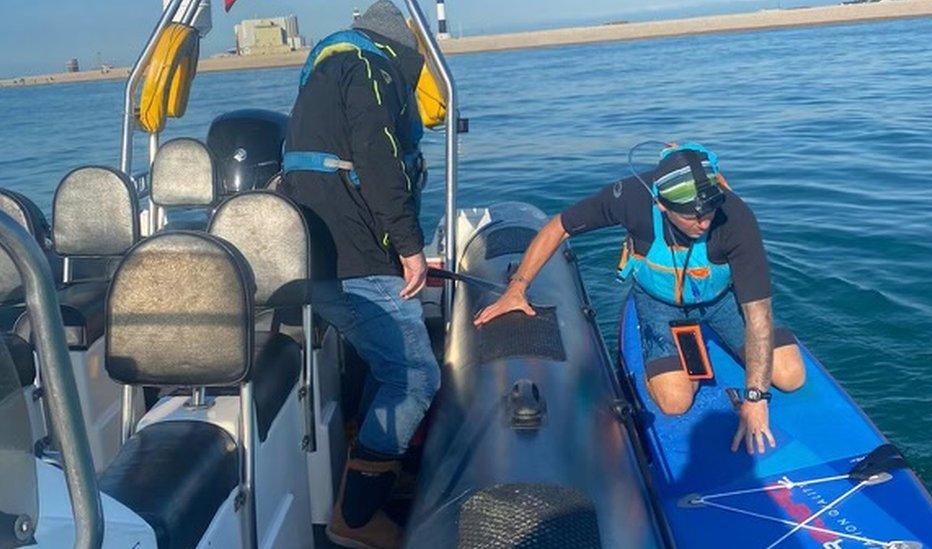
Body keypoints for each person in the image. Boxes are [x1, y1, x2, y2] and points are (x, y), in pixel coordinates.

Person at [474, 142, 806, 456]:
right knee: (675, 401)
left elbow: (759, 315)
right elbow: (559, 226)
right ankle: (663, 351)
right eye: (692, 216)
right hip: (658, 300)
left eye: (709, 211)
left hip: (719, 300)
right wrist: (516, 288)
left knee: (791, 375)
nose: (704, 222)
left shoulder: (735, 218)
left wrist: (755, 398)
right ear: (662, 204)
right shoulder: (630, 197)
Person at [279, 2, 439, 547]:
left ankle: (369, 462)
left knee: (384, 362)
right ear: (402, 50)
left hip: (318, 250)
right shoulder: (371, 71)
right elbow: (378, 160)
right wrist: (412, 248)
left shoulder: (331, 68)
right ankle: (357, 512)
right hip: (354, 258)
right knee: (416, 377)